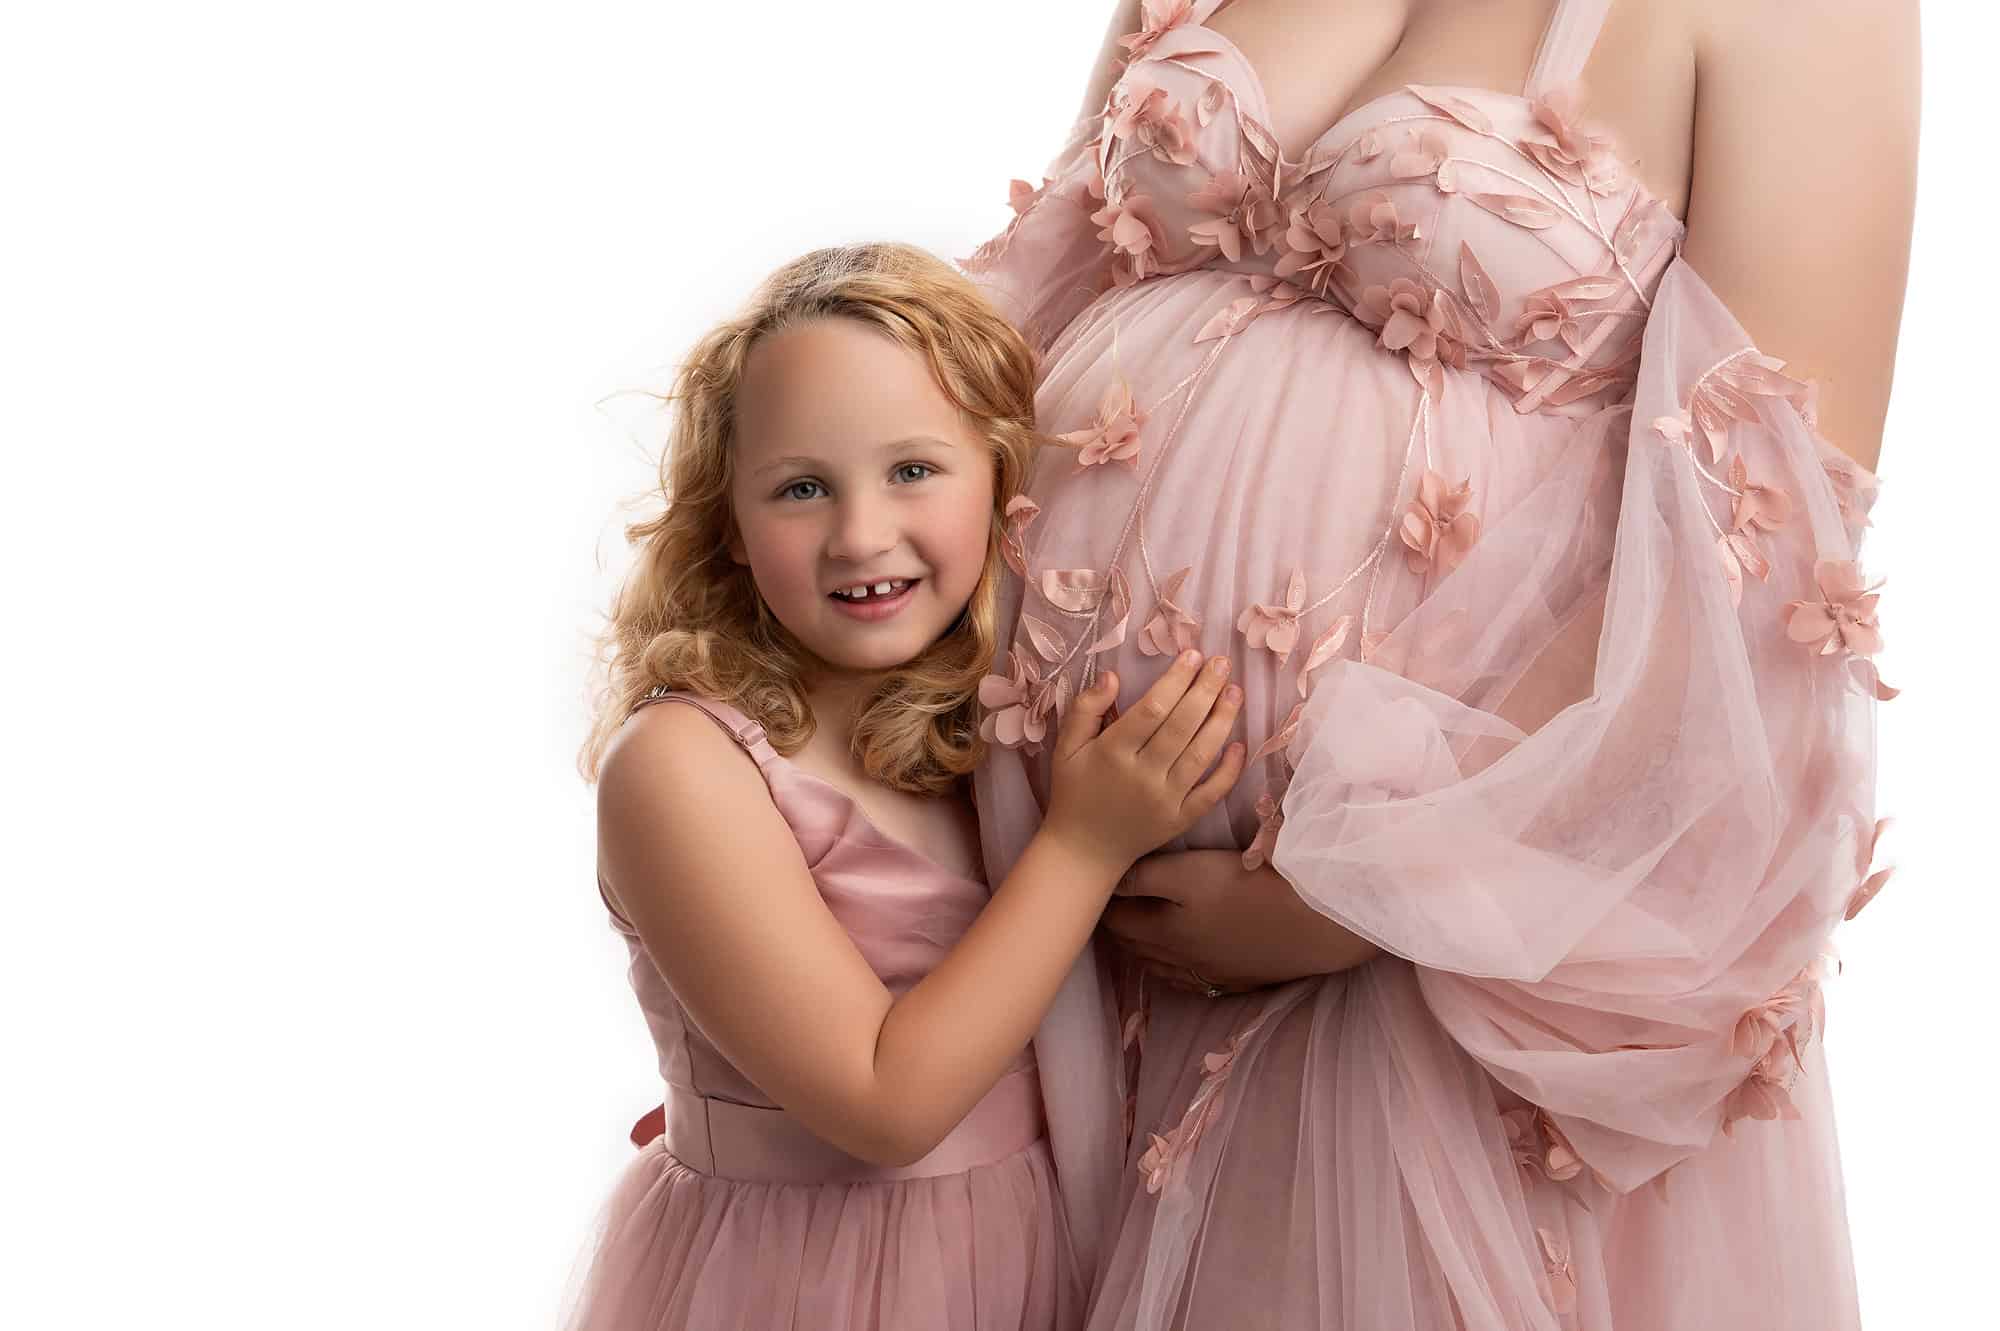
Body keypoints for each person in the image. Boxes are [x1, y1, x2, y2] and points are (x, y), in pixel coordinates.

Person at [961, 0, 1915, 1326]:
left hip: (1422, 961)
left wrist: (1359, 895)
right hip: (1023, 895)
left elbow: (1767, 525)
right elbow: (1006, 319)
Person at [562, 241, 1249, 1331]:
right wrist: (1084, 844)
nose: (860, 533)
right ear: (728, 529)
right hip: (814, 1286)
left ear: (1000, 478)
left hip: (1037, 1252)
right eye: (799, 488)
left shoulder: (992, 719)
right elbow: (886, 1106)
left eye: (913, 470)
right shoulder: (683, 766)